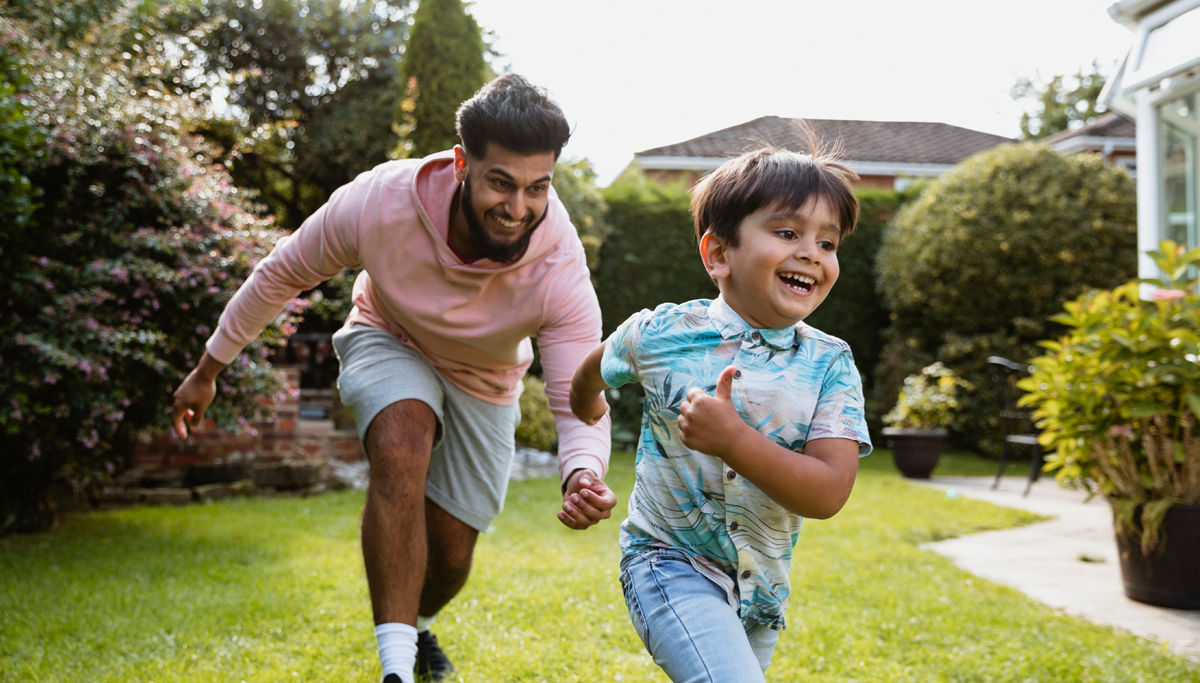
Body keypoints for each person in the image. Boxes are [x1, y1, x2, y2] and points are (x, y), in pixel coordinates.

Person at [171, 74, 617, 683]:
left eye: (537, 188)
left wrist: (583, 470)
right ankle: (396, 671)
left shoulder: (559, 263)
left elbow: (576, 394)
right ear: (461, 163)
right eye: (500, 183)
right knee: (400, 441)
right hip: (390, 334)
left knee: (452, 555)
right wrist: (208, 369)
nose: (518, 209)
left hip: (486, 379)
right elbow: (280, 274)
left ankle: (416, 626)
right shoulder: (379, 202)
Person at [569, 147, 872, 682]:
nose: (811, 253)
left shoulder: (831, 364)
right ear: (718, 254)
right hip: (666, 560)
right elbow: (593, 369)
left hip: (762, 589)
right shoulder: (660, 334)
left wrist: (733, 440)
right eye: (787, 233)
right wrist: (587, 413)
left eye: (827, 242)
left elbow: (828, 493)